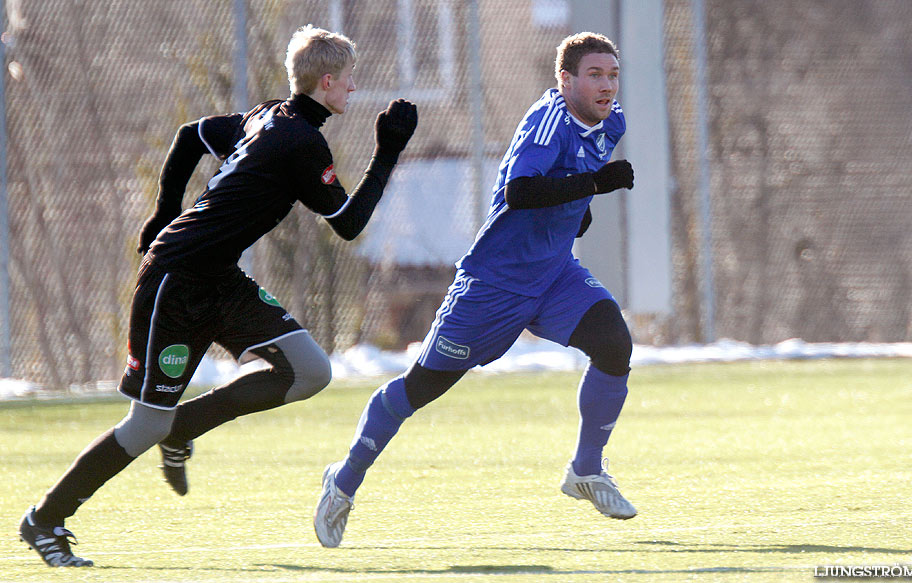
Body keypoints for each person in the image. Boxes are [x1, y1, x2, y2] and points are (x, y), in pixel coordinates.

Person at [18, 24, 417, 567]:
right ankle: (45, 519)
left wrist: (164, 210)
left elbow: (189, 136)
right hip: (176, 283)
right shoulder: (299, 140)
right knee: (145, 423)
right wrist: (387, 151)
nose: (353, 88)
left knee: (309, 370)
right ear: (326, 82)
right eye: (349, 80)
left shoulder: (267, 116)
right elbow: (348, 224)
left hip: (218, 279)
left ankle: (184, 426)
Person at [313, 31, 636, 549]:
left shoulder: (610, 121)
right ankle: (343, 480)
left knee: (615, 344)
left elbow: (573, 176)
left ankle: (586, 470)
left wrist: (580, 209)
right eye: (594, 74)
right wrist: (594, 187)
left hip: (554, 275)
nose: (606, 85)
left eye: (612, 74)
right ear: (565, 80)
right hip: (495, 285)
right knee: (420, 389)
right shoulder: (548, 119)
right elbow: (520, 190)